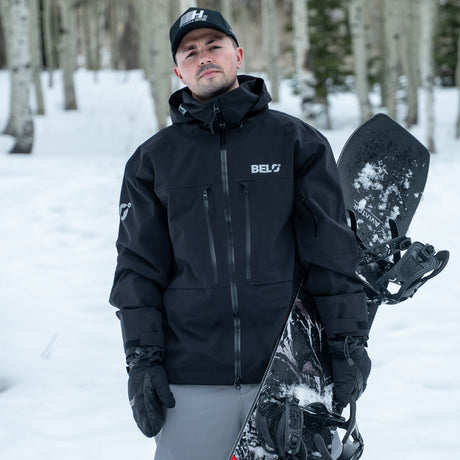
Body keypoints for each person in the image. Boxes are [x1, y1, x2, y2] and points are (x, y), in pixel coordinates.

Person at [109, 7, 371, 460]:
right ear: (178, 70)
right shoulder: (154, 160)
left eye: (214, 46)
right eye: (190, 51)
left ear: (238, 54)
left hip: (288, 373)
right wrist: (142, 358)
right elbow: (137, 268)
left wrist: (347, 343)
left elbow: (331, 254)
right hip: (190, 380)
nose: (203, 56)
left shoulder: (297, 143)